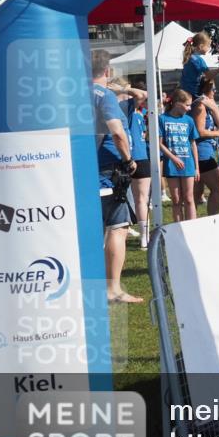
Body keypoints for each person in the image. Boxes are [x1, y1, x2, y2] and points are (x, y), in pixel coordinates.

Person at [91, 51, 144, 304]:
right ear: (108, 71)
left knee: (96, 228)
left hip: (89, 169)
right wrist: (128, 160)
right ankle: (112, 288)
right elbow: (117, 133)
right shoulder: (104, 96)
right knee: (117, 227)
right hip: (109, 171)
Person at [116, 80, 151, 250]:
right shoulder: (122, 107)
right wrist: (122, 89)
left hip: (139, 156)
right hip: (127, 157)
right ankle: (133, 232)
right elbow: (142, 95)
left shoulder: (137, 111)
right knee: (127, 199)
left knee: (140, 199)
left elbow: (143, 95)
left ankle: (144, 236)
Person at [159, 89, 200, 222]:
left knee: (189, 198)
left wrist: (197, 167)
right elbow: (159, 143)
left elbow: (193, 144)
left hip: (188, 163)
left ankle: (191, 227)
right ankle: (178, 227)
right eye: (187, 105)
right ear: (177, 103)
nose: (189, 108)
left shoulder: (189, 120)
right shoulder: (162, 119)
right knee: (176, 200)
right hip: (172, 165)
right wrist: (173, 158)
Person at [190, 78, 219, 216]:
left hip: (203, 151)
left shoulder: (204, 106)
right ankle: (212, 220)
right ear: (206, 90)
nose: (215, 92)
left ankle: (192, 222)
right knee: (218, 188)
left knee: (196, 193)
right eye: (214, 89)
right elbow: (199, 131)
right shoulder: (200, 107)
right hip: (202, 153)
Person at [181, 31, 218, 98]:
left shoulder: (189, 57)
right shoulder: (198, 60)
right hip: (193, 93)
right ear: (201, 46)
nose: (209, 48)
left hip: (185, 91)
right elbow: (209, 75)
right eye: (208, 46)